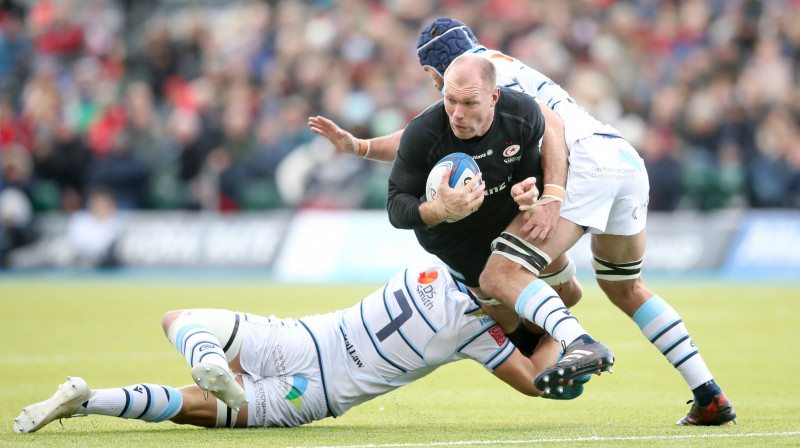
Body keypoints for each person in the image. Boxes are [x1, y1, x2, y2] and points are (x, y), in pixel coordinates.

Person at [308, 17, 736, 426]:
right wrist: (360, 146)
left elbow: (548, 127)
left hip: (585, 162)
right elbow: (419, 137)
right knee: (626, 287)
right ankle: (708, 394)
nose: (445, 100)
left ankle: (578, 342)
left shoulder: (484, 82)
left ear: (433, 71)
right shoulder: (493, 69)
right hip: (622, 157)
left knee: (500, 272)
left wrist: (552, 196)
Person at [14, 257, 582, 434]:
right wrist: (560, 331)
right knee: (192, 408)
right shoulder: (480, 334)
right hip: (314, 395)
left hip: (302, 339)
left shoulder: (428, 265)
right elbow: (538, 384)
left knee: (178, 319)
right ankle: (92, 399)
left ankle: (92, 397)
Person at [383, 53, 615, 398]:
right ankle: (560, 351)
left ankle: (563, 346)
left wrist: (531, 192)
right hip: (457, 245)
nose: (457, 114)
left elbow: (527, 169)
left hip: (506, 224)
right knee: (510, 327)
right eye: (449, 100)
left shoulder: (521, 114)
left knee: (571, 293)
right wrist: (438, 209)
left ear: (494, 97)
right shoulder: (424, 132)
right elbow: (395, 206)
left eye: (468, 102)